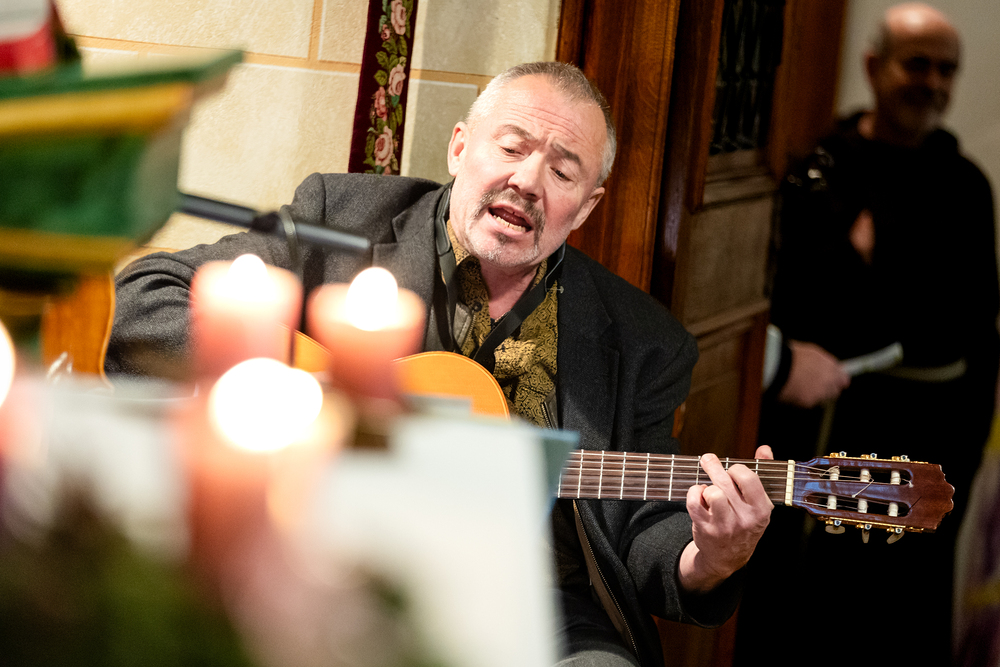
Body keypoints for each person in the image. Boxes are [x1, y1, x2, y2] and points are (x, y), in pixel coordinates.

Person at [106, 62, 774, 667]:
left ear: (588, 205)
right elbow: (146, 300)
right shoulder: (345, 217)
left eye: (563, 172)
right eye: (510, 147)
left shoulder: (645, 340)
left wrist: (710, 556)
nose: (527, 181)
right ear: (459, 147)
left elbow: (641, 532)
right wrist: (306, 403)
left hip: (536, 603)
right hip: (327, 563)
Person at [743, 5, 1000, 665]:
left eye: (946, 70)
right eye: (917, 64)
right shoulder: (821, 167)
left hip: (933, 436)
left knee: (901, 619)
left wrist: (876, 258)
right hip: (831, 430)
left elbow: (962, 324)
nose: (932, 82)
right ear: (874, 66)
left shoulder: (968, 187)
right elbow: (808, 299)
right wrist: (878, 272)